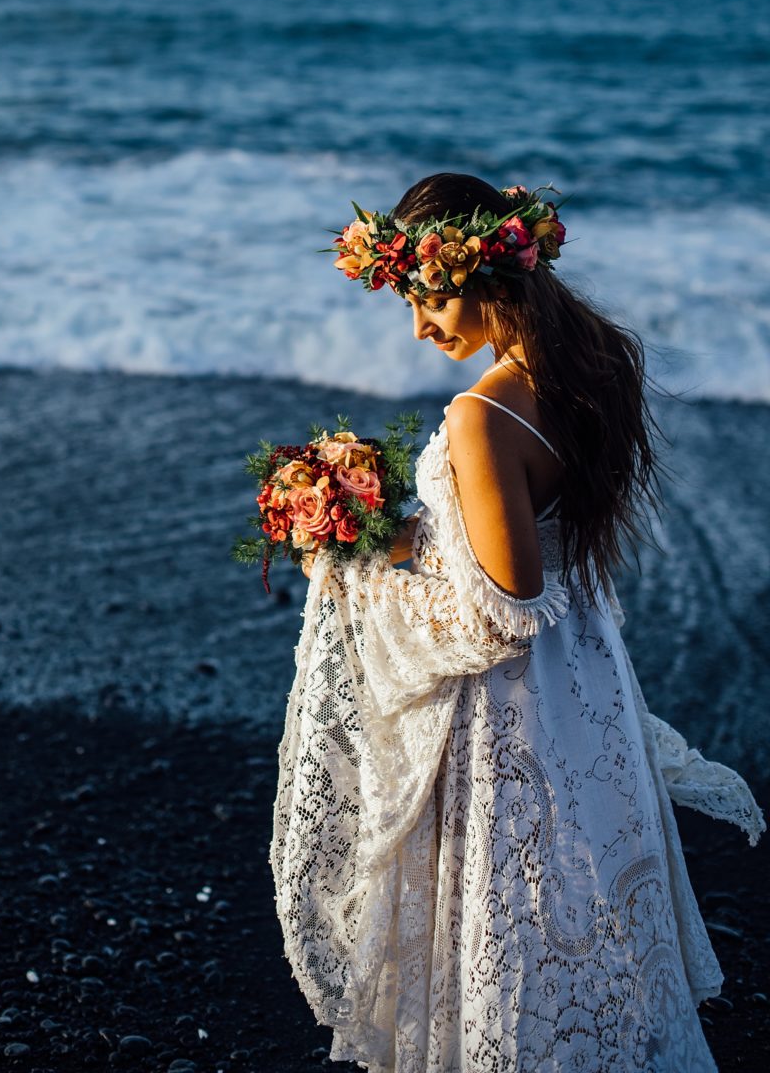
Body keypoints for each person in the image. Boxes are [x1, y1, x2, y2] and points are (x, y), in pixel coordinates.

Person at [269, 171, 765, 1073]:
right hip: (587, 682)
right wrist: (402, 527)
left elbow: (500, 613)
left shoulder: (482, 415)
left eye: (429, 299)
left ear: (490, 276)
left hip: (514, 710)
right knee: (586, 911)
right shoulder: (601, 359)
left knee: (517, 918)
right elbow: (528, 531)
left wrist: (352, 572)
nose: (420, 327)